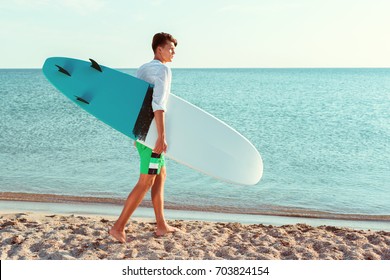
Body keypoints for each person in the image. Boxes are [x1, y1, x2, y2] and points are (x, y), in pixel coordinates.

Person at [109, 32, 178, 243]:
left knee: (161, 174)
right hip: (152, 136)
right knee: (146, 181)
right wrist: (161, 137)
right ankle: (118, 227)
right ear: (159, 49)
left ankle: (161, 225)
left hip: (141, 132)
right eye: (170, 49)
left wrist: (136, 134)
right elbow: (159, 104)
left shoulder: (143, 68)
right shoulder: (164, 70)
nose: (173, 53)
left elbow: (135, 101)